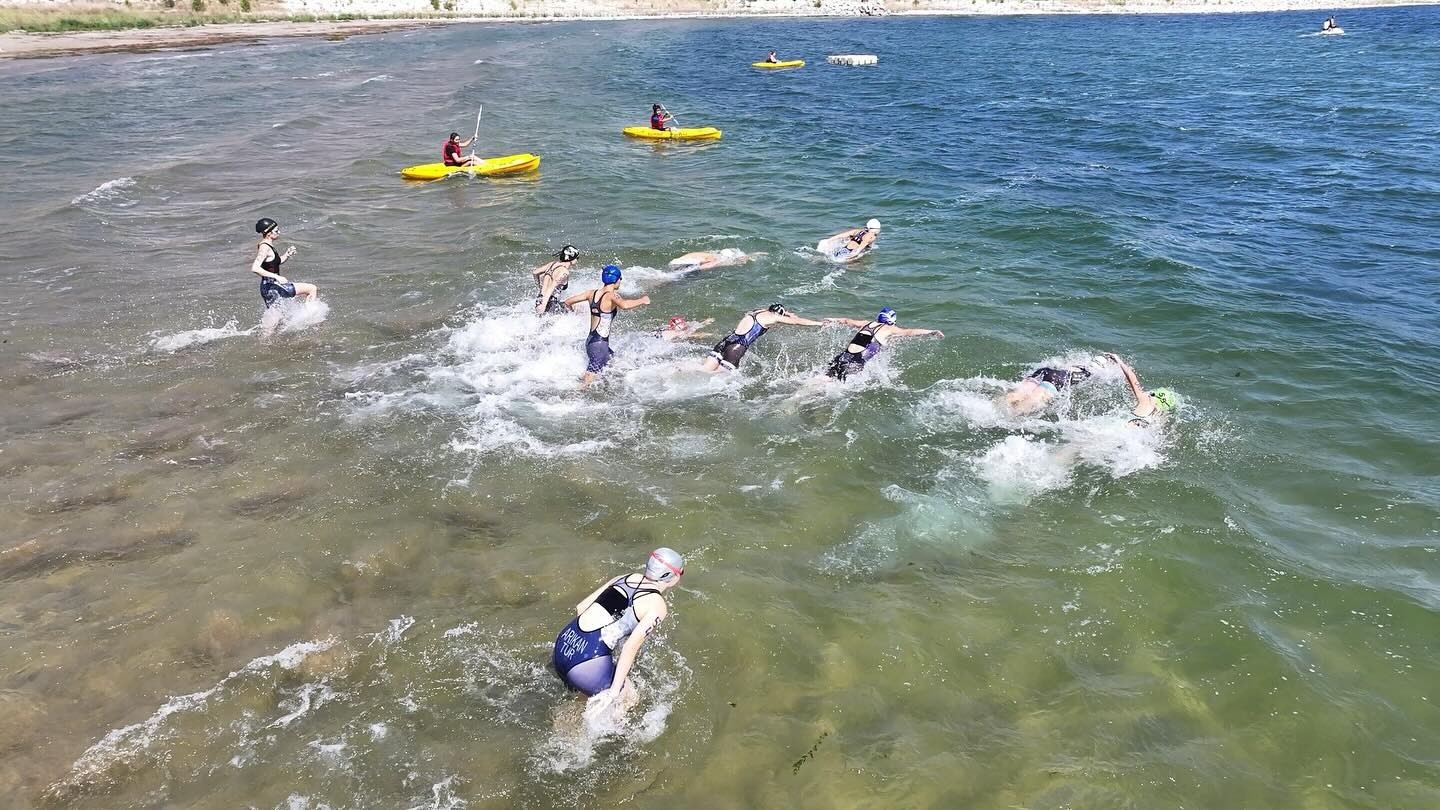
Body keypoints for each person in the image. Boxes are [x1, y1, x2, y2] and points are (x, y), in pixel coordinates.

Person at [553, 548, 684, 710]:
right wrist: (614, 692)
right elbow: (630, 647)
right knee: (629, 698)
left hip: (563, 645)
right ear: (674, 577)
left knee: (589, 694)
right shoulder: (657, 605)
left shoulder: (625, 577)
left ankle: (566, 722)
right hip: (585, 666)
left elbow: (581, 608)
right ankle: (601, 734)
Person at [563, 264, 651, 385]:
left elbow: (567, 302)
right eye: (620, 279)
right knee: (590, 378)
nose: (620, 281)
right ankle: (575, 396)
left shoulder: (591, 293)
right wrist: (642, 300)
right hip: (600, 345)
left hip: (590, 342)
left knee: (613, 363)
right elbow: (625, 305)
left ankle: (581, 383)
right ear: (616, 280)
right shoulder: (610, 296)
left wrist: (573, 317)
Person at [824, 307, 943, 381]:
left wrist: (833, 319)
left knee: (824, 379)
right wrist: (931, 332)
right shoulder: (889, 329)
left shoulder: (867, 323)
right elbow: (909, 332)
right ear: (892, 321)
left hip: (842, 357)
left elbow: (846, 320)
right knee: (831, 385)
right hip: (855, 364)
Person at [702, 304, 826, 372]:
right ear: (778, 315)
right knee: (721, 376)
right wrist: (819, 323)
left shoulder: (756, 311)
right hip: (737, 348)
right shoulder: (773, 317)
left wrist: (787, 313)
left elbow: (768, 310)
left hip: (726, 341)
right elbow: (797, 321)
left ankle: (684, 369)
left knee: (704, 369)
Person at [1001, 356, 1113, 415]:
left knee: (1014, 396)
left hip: (1045, 371)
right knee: (1021, 409)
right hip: (1057, 380)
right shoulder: (1094, 373)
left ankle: (993, 408)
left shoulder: (1080, 364)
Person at [250, 218, 318, 310]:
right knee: (311, 289)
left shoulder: (267, 245)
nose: (279, 232)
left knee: (277, 321)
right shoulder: (264, 247)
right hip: (272, 287)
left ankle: (307, 317)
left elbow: (273, 264)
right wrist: (277, 277)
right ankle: (310, 317)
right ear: (269, 233)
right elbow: (255, 268)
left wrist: (287, 254)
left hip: (269, 287)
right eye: (276, 230)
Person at [1109, 353, 1181, 427]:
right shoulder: (1160, 419)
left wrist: (1117, 359)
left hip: (1125, 426)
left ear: (1152, 396)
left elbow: (1131, 376)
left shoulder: (1145, 400)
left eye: (1152, 393)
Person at [534, 245, 580, 315]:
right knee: (577, 309)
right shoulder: (564, 272)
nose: (577, 260)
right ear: (572, 258)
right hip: (550, 302)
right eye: (577, 258)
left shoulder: (552, 264)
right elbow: (552, 287)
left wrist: (540, 288)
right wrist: (543, 305)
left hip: (540, 298)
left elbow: (535, 273)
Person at [667, 249, 765, 272]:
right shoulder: (712, 258)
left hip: (675, 262)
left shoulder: (709, 254)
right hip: (684, 265)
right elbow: (705, 265)